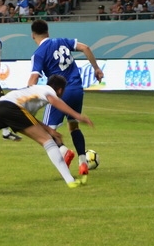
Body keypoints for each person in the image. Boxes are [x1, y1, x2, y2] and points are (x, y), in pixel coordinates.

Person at [27, 19, 104, 176]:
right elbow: (85, 48)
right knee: (73, 126)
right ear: (48, 32)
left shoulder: (39, 53)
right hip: (77, 90)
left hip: (60, 93)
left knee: (47, 132)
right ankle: (83, 163)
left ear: (32, 35)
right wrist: (96, 68)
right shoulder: (61, 41)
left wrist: (25, 96)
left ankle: (63, 151)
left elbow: (33, 78)